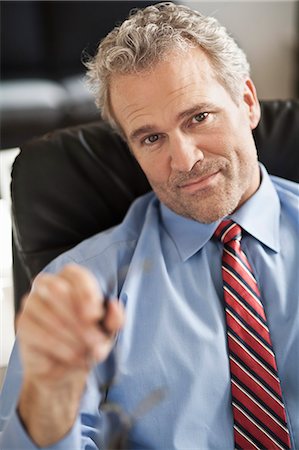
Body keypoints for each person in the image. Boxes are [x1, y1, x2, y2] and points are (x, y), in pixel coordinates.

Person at [0, 2, 298, 449]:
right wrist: (49, 397)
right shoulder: (77, 286)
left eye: (199, 117)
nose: (185, 160)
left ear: (248, 103)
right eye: (152, 138)